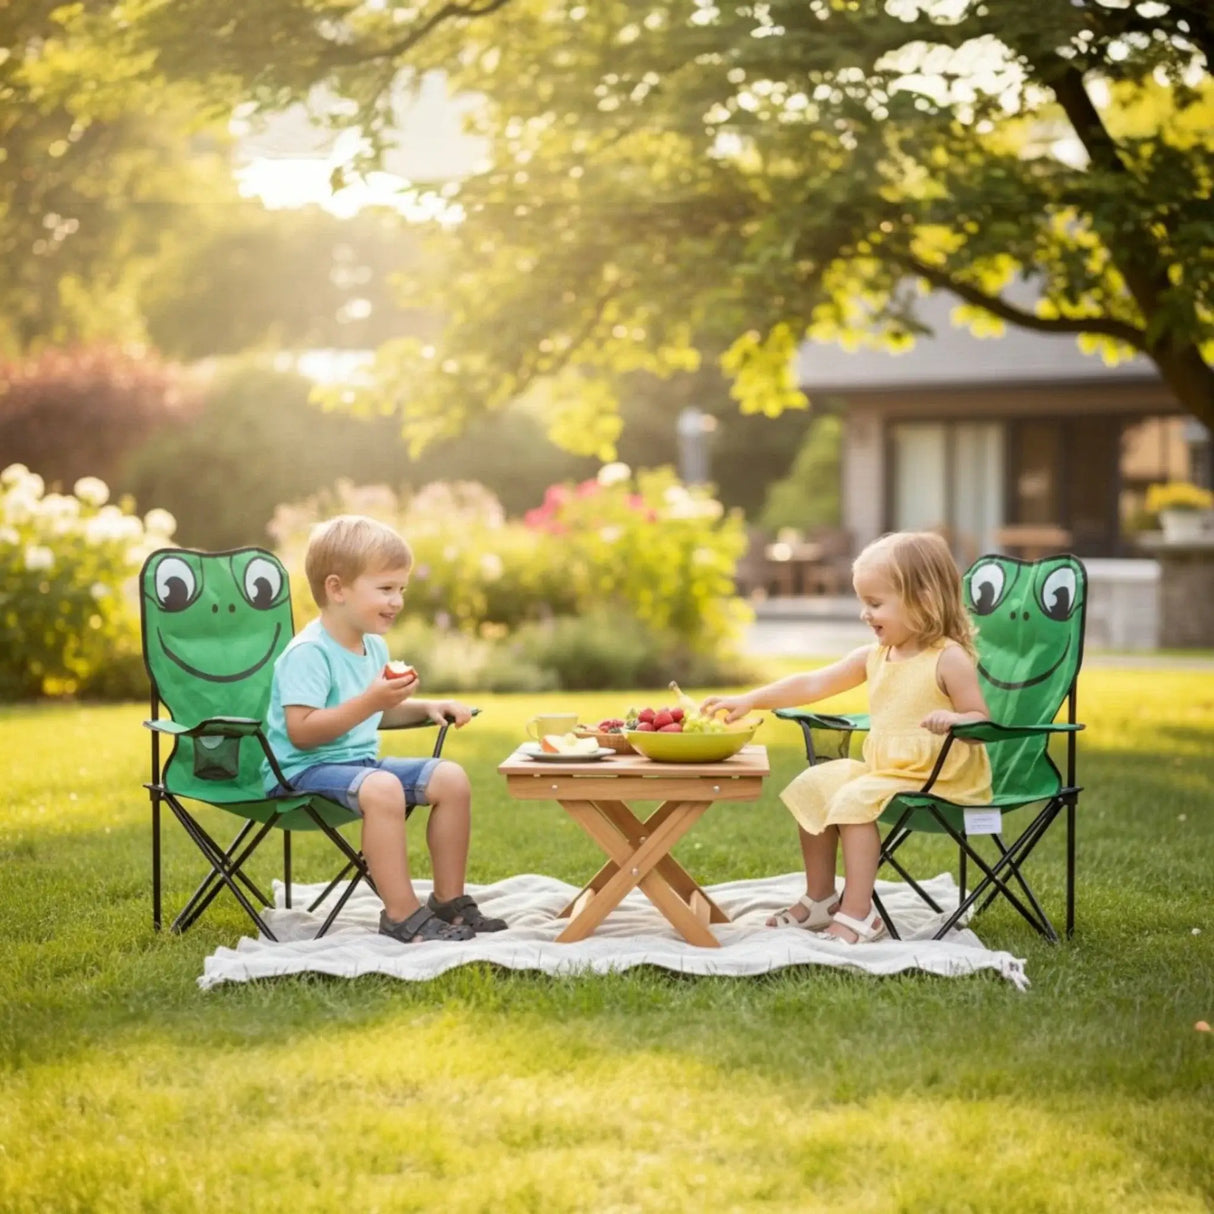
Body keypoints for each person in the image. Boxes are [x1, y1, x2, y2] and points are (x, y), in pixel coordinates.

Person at [702, 531, 992, 944]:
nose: (864, 614)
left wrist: (954, 718)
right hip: (889, 771)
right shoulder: (876, 656)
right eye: (863, 602)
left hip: (941, 777)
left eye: (875, 604)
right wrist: (751, 698)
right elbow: (812, 683)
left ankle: (859, 913)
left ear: (924, 600)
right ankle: (821, 898)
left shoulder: (949, 658)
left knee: (853, 801)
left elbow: (980, 721)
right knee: (815, 785)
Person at [262, 514, 506, 944]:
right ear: (337, 589)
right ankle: (401, 915)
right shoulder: (309, 654)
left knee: (450, 778)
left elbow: (372, 713)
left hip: (357, 764)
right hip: (300, 771)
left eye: (401, 589)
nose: (397, 601)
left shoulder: (372, 645)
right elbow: (301, 732)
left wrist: (429, 706)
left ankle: (447, 902)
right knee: (382, 787)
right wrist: (372, 700)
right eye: (385, 589)